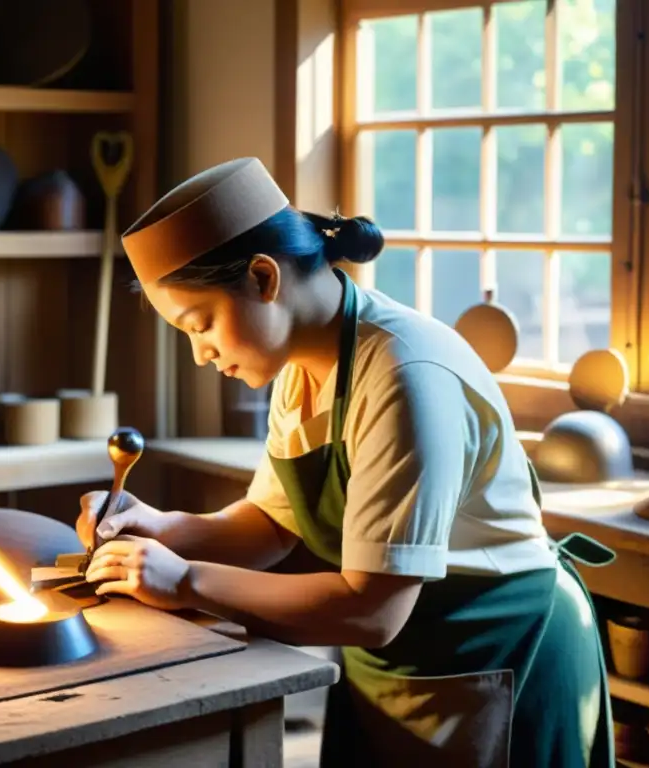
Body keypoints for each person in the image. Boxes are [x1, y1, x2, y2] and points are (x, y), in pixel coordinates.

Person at [77, 157, 616, 767]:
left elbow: (373, 609)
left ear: (263, 278)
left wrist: (185, 580)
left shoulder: (406, 376)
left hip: (496, 652)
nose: (201, 354)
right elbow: (272, 526)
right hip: (397, 667)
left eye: (200, 325)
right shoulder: (303, 368)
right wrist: (158, 526)